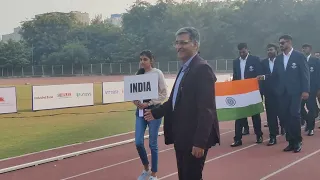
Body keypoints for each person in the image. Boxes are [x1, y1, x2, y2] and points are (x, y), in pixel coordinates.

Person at [144, 27, 220, 180]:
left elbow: (207, 110)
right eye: (177, 43)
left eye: (183, 43)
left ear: (195, 45)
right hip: (182, 136)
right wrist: (155, 112)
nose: (179, 47)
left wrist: (200, 142)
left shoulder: (202, 69)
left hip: (193, 138)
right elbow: (175, 100)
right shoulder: (185, 68)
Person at [133, 50, 168, 180]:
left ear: (151, 60)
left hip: (154, 111)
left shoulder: (157, 73)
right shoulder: (137, 75)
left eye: (145, 59)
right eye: (141, 59)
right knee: (138, 142)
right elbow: (134, 94)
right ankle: (146, 168)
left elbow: (164, 94)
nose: (142, 62)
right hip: (140, 112)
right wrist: (136, 101)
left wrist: (149, 103)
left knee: (152, 143)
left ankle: (154, 174)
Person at [273, 35, 310, 153]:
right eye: (279, 43)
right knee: (284, 117)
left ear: (289, 43)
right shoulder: (278, 59)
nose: (280, 45)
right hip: (282, 92)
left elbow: (305, 74)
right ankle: (290, 141)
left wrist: (305, 90)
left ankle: (297, 141)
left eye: (282, 43)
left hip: (295, 92)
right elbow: (275, 75)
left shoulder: (299, 56)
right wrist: (264, 78)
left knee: (294, 115)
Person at [230, 43, 263, 147]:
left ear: (247, 50)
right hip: (240, 92)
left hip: (252, 92)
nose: (242, 53)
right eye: (240, 52)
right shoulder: (236, 62)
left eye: (243, 51)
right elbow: (235, 76)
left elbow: (259, 75)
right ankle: (237, 139)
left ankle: (259, 135)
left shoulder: (255, 60)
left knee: (255, 115)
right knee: (239, 116)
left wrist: (258, 90)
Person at [259, 43, 285, 146]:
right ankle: (272, 136)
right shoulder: (263, 62)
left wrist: (266, 77)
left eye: (271, 50)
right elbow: (261, 77)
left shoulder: (281, 60)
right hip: (269, 93)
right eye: (268, 50)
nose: (269, 52)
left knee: (282, 112)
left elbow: (281, 75)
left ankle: (283, 126)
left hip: (281, 92)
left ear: (276, 50)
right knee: (270, 116)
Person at [301, 44, 320, 136]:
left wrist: (318, 88)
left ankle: (311, 128)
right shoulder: (300, 60)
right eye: (303, 48)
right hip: (301, 89)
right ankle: (308, 121)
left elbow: (318, 75)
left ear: (310, 49)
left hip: (312, 89)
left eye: (306, 48)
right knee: (299, 107)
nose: (304, 49)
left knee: (311, 108)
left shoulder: (315, 60)